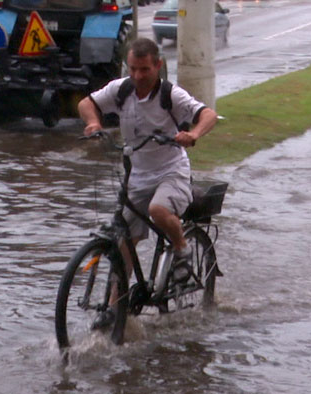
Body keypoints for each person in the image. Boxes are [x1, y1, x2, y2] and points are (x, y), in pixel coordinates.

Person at [77, 37, 217, 329]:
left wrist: (194, 134)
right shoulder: (121, 89)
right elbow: (86, 103)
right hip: (137, 176)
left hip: (171, 172)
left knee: (158, 210)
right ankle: (116, 310)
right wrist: (93, 123)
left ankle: (182, 250)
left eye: (145, 70)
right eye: (133, 69)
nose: (139, 76)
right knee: (124, 243)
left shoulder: (171, 95)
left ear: (158, 66)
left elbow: (208, 114)